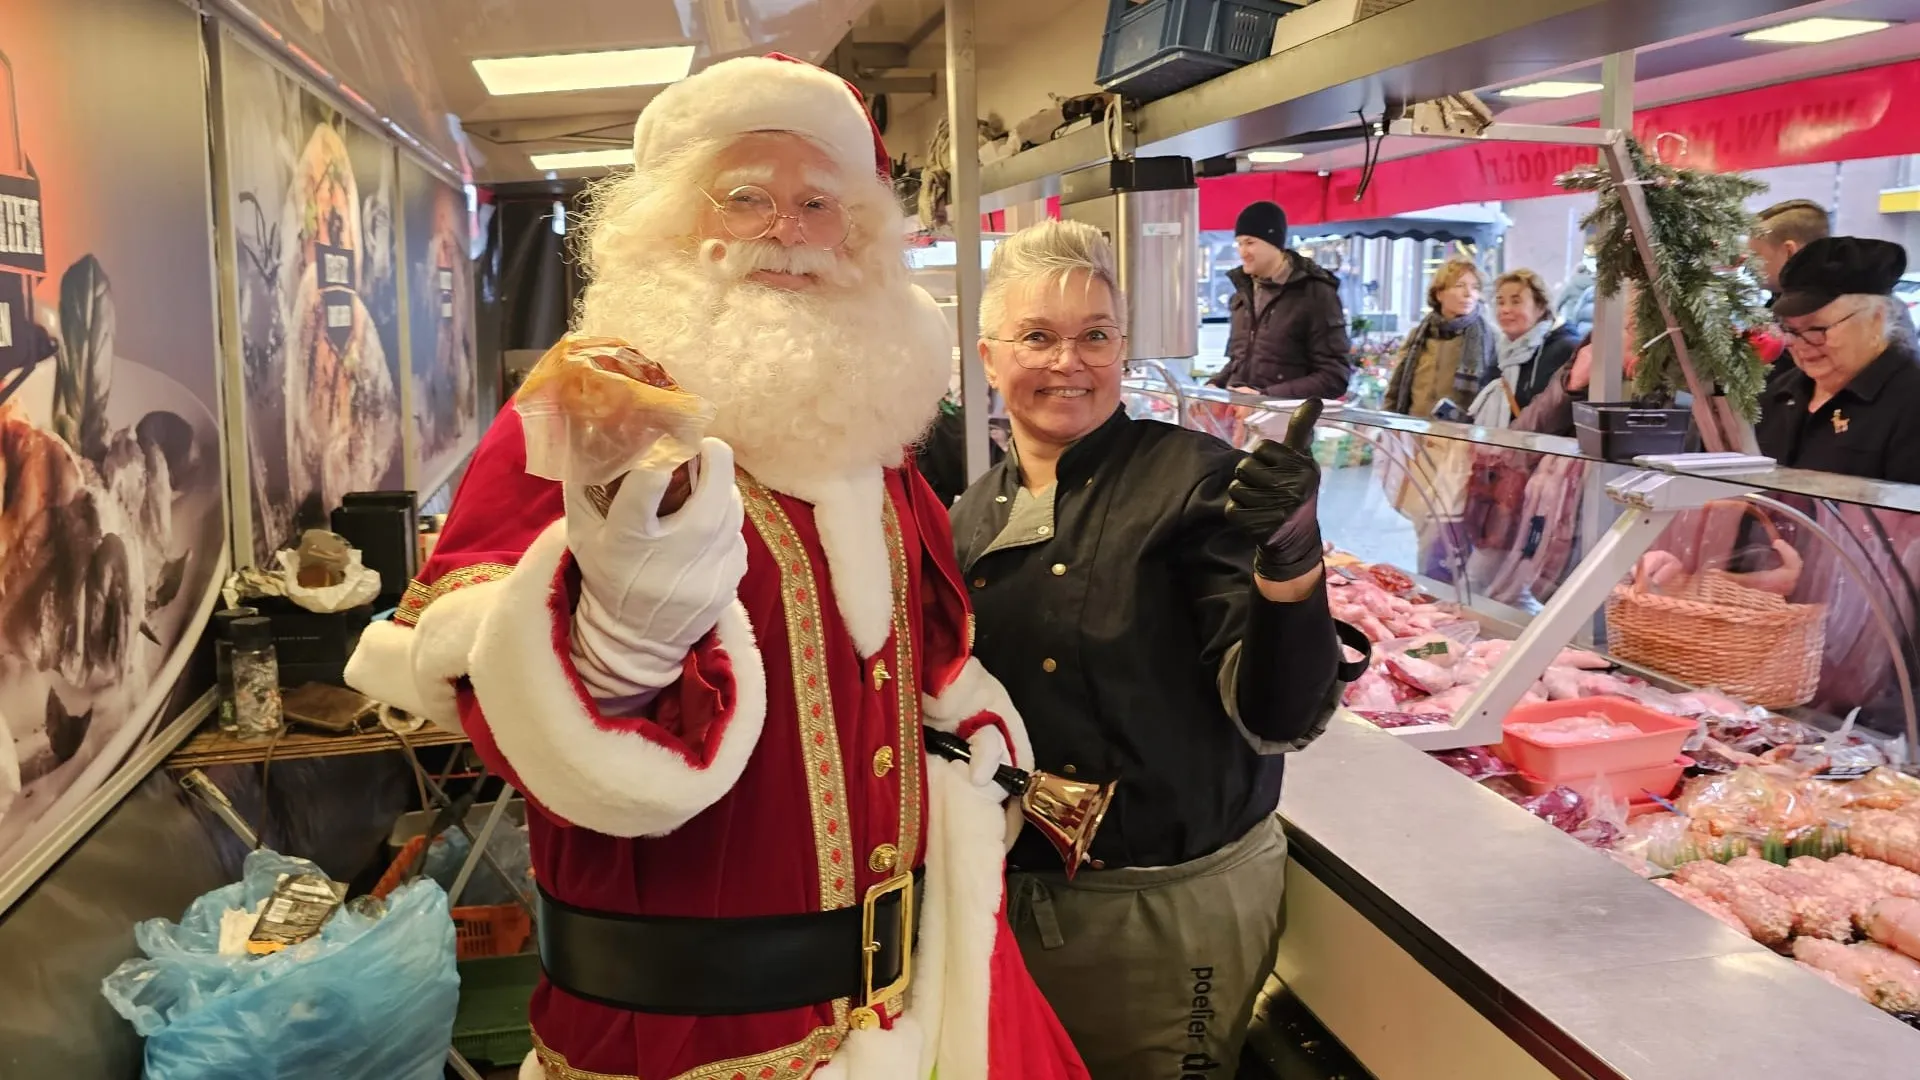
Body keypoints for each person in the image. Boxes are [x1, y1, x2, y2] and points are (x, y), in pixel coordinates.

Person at [344, 55, 1089, 1080]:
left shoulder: (870, 446)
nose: (786, 230)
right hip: (680, 1037)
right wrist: (620, 636)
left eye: (818, 203)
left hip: (893, 1009)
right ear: (671, 225)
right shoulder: (583, 415)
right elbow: (481, 674)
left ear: (858, 235)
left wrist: (964, 718)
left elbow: (916, 648)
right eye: (746, 198)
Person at [952, 220, 1351, 1079]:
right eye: (1038, 337)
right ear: (989, 357)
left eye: (1095, 336)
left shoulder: (1198, 481)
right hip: (1017, 898)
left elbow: (1279, 713)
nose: (1070, 362)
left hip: (1164, 908)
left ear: (1122, 349)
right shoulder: (971, 509)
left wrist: (1290, 559)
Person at [1756, 236, 1920, 483]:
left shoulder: (1911, 400)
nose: (1799, 344)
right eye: (1789, 329)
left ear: (1876, 318)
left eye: (1817, 329)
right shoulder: (1779, 393)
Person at [1208, 200, 1352, 400]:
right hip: (1238, 423)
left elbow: (1334, 376)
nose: (1242, 252)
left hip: (1288, 426)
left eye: (1250, 242)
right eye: (1239, 243)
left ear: (1274, 242)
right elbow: (1239, 362)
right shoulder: (1243, 293)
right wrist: (1214, 385)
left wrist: (1266, 396)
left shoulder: (1316, 293)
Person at [1384, 256, 1495, 418]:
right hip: (1413, 429)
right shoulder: (1419, 335)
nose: (1469, 294)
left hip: (1461, 436)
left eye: (1475, 287)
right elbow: (1395, 389)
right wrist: (1387, 425)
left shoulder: (1489, 338)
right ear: (1439, 294)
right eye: (1460, 285)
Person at [1472, 268, 1580, 425]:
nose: (1505, 310)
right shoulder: (1503, 352)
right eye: (1500, 302)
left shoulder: (1565, 350)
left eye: (1516, 301)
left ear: (1540, 307)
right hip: (1499, 444)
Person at [1750, 200, 1831, 376]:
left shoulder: (1821, 318)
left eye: (1755, 256)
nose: (1749, 265)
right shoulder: (1779, 300)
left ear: (1789, 252)